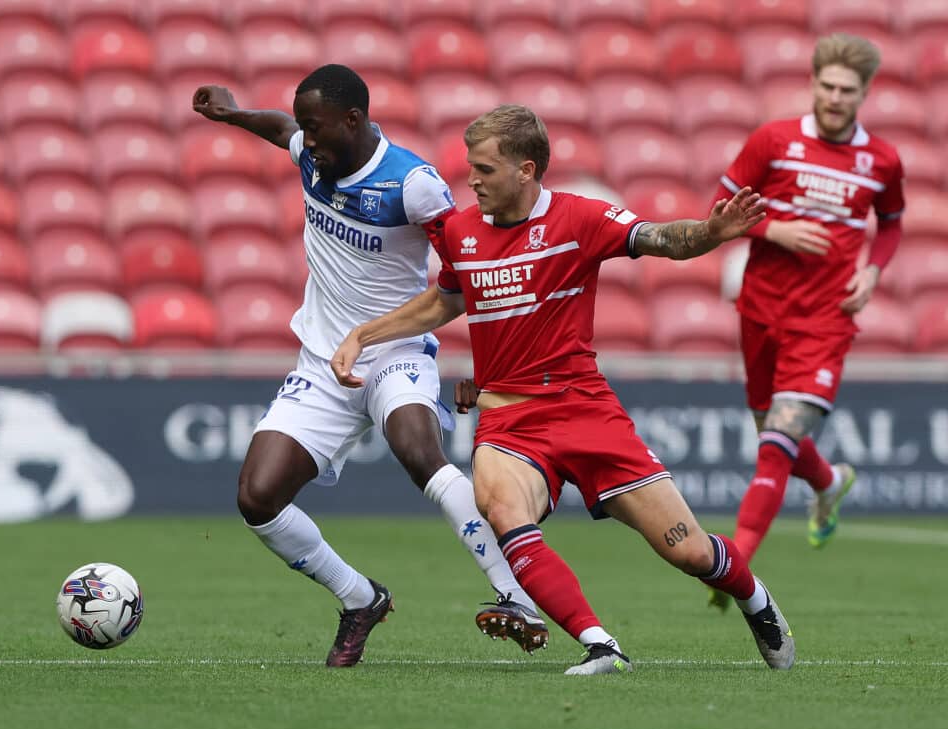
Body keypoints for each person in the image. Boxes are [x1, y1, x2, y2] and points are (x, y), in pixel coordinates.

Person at [331, 104, 796, 674]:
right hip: (507, 421)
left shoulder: (581, 219)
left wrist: (710, 233)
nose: (471, 180)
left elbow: (660, 239)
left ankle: (756, 600)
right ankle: (602, 645)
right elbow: (446, 300)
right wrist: (364, 334)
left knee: (690, 550)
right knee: (500, 506)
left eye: (484, 169)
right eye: (470, 168)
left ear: (526, 171)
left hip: (584, 411)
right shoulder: (458, 231)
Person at [191, 65, 547, 667]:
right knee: (257, 497)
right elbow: (281, 129)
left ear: (352, 121)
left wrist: (488, 361)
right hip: (323, 360)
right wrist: (232, 114)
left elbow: (464, 271)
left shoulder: (412, 185)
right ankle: (360, 599)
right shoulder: (312, 149)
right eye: (304, 126)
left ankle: (515, 593)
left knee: (419, 451)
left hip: (395, 353)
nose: (306, 138)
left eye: (316, 126)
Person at [709, 33, 905, 608]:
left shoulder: (883, 160)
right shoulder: (772, 141)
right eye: (827, 86)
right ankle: (829, 481)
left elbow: (890, 223)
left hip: (826, 319)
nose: (836, 97)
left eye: (847, 89)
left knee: (775, 445)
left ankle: (735, 566)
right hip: (762, 309)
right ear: (814, 84)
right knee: (772, 430)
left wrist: (871, 273)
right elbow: (718, 214)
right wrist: (772, 229)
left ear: (864, 94)